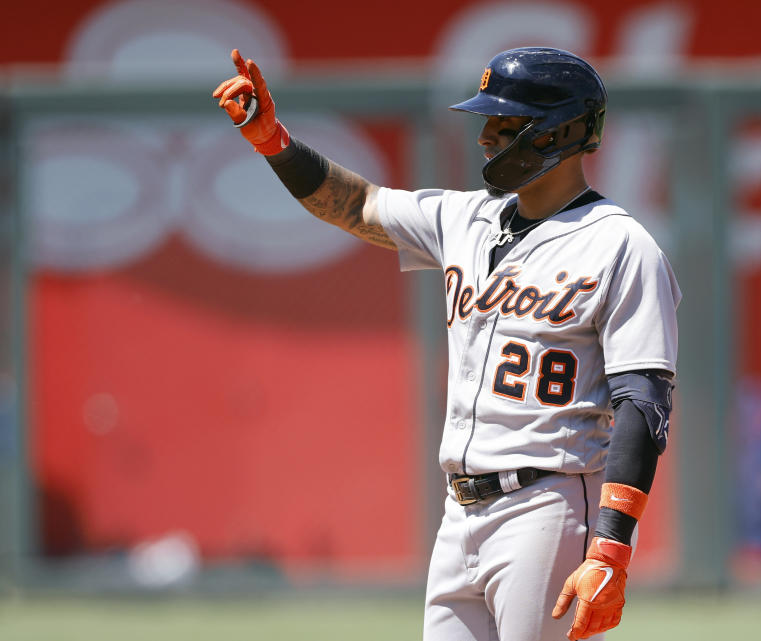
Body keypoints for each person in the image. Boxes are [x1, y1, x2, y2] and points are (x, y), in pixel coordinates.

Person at [213, 46, 680, 641]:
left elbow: (642, 401)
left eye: (505, 122)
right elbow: (356, 204)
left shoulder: (621, 246)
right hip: (460, 512)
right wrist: (272, 140)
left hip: (550, 505)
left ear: (560, 131)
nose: (485, 136)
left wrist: (611, 549)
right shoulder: (465, 219)